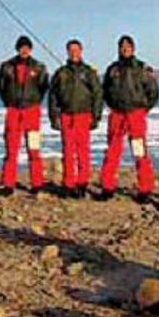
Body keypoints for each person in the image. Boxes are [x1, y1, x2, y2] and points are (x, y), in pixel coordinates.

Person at [98, 34, 159, 203]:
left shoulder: (141, 68)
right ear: (119, 49)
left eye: (128, 47)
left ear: (133, 49)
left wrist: (143, 108)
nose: (125, 49)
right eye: (122, 47)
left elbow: (153, 91)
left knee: (139, 150)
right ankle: (107, 187)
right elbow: (105, 90)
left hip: (135, 113)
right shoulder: (112, 69)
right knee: (112, 150)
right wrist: (112, 104)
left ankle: (145, 189)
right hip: (117, 113)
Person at [47, 38, 103, 198]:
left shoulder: (89, 72)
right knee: (68, 151)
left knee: (83, 151)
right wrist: (53, 116)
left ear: (81, 51)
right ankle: (69, 184)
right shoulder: (61, 73)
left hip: (84, 115)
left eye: (76, 50)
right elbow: (52, 96)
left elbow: (98, 94)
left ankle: (82, 183)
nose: (74, 53)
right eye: (71, 50)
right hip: (66, 115)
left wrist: (96, 115)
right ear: (67, 52)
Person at [0, 35, 50, 195]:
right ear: (17, 49)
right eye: (21, 47)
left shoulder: (39, 67)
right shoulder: (6, 66)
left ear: (31, 49)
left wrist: (34, 101)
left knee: (33, 148)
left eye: (27, 47)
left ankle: (37, 183)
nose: (24, 50)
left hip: (32, 111)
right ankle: (8, 183)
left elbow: (43, 87)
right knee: (11, 149)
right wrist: (9, 101)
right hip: (13, 111)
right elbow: (1, 86)